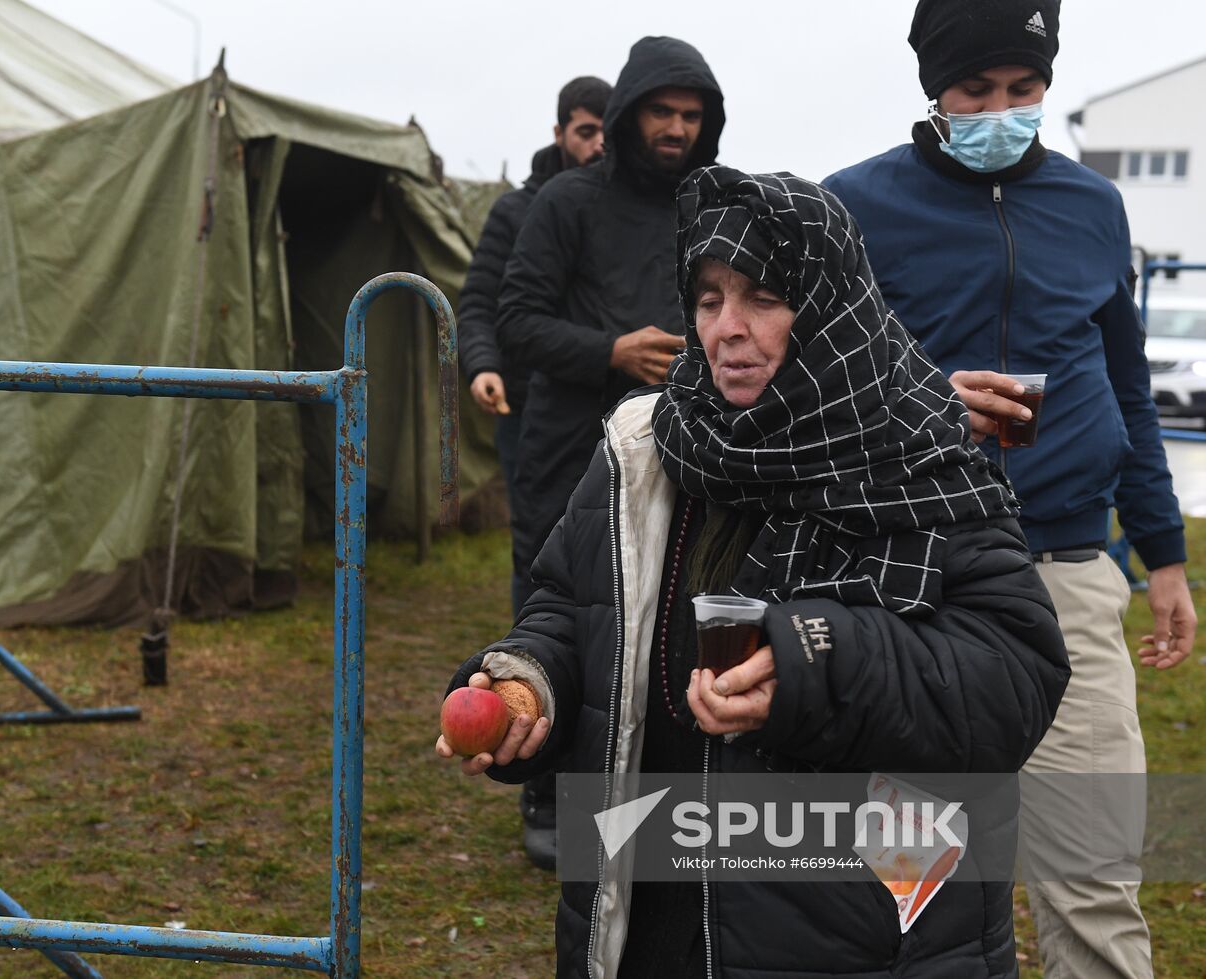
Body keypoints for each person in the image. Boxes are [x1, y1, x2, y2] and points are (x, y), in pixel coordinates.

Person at [437, 167, 1070, 978]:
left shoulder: (916, 453)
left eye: (764, 298)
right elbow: (573, 603)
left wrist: (814, 660)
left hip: (850, 938)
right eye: (708, 299)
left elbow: (1013, 674)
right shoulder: (648, 448)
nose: (727, 328)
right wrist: (531, 685)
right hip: (650, 922)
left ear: (830, 303)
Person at [824, 3, 1197, 976]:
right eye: (975, 92)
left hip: (1065, 569)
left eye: (1022, 91)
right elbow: (796, 393)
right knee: (911, 872)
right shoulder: (852, 208)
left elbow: (1127, 388)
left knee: (1092, 865)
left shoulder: (1090, 207)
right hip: (912, 578)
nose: (1001, 110)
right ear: (933, 93)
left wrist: (1161, 554)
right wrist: (919, 397)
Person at [491, 36, 726, 872]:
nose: (676, 128)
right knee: (563, 620)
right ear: (629, 114)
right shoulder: (566, 202)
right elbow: (516, 319)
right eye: (662, 112)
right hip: (568, 450)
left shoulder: (710, 204)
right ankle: (546, 791)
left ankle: (644, 801)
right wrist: (610, 351)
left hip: (681, 450)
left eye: (692, 115)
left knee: (665, 625)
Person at [459, 75, 611, 617]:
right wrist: (482, 365)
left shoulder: (625, 214)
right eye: (586, 130)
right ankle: (531, 665)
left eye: (606, 131)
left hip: (612, 408)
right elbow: (479, 301)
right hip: (527, 408)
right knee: (542, 544)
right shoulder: (517, 212)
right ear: (559, 131)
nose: (598, 144)